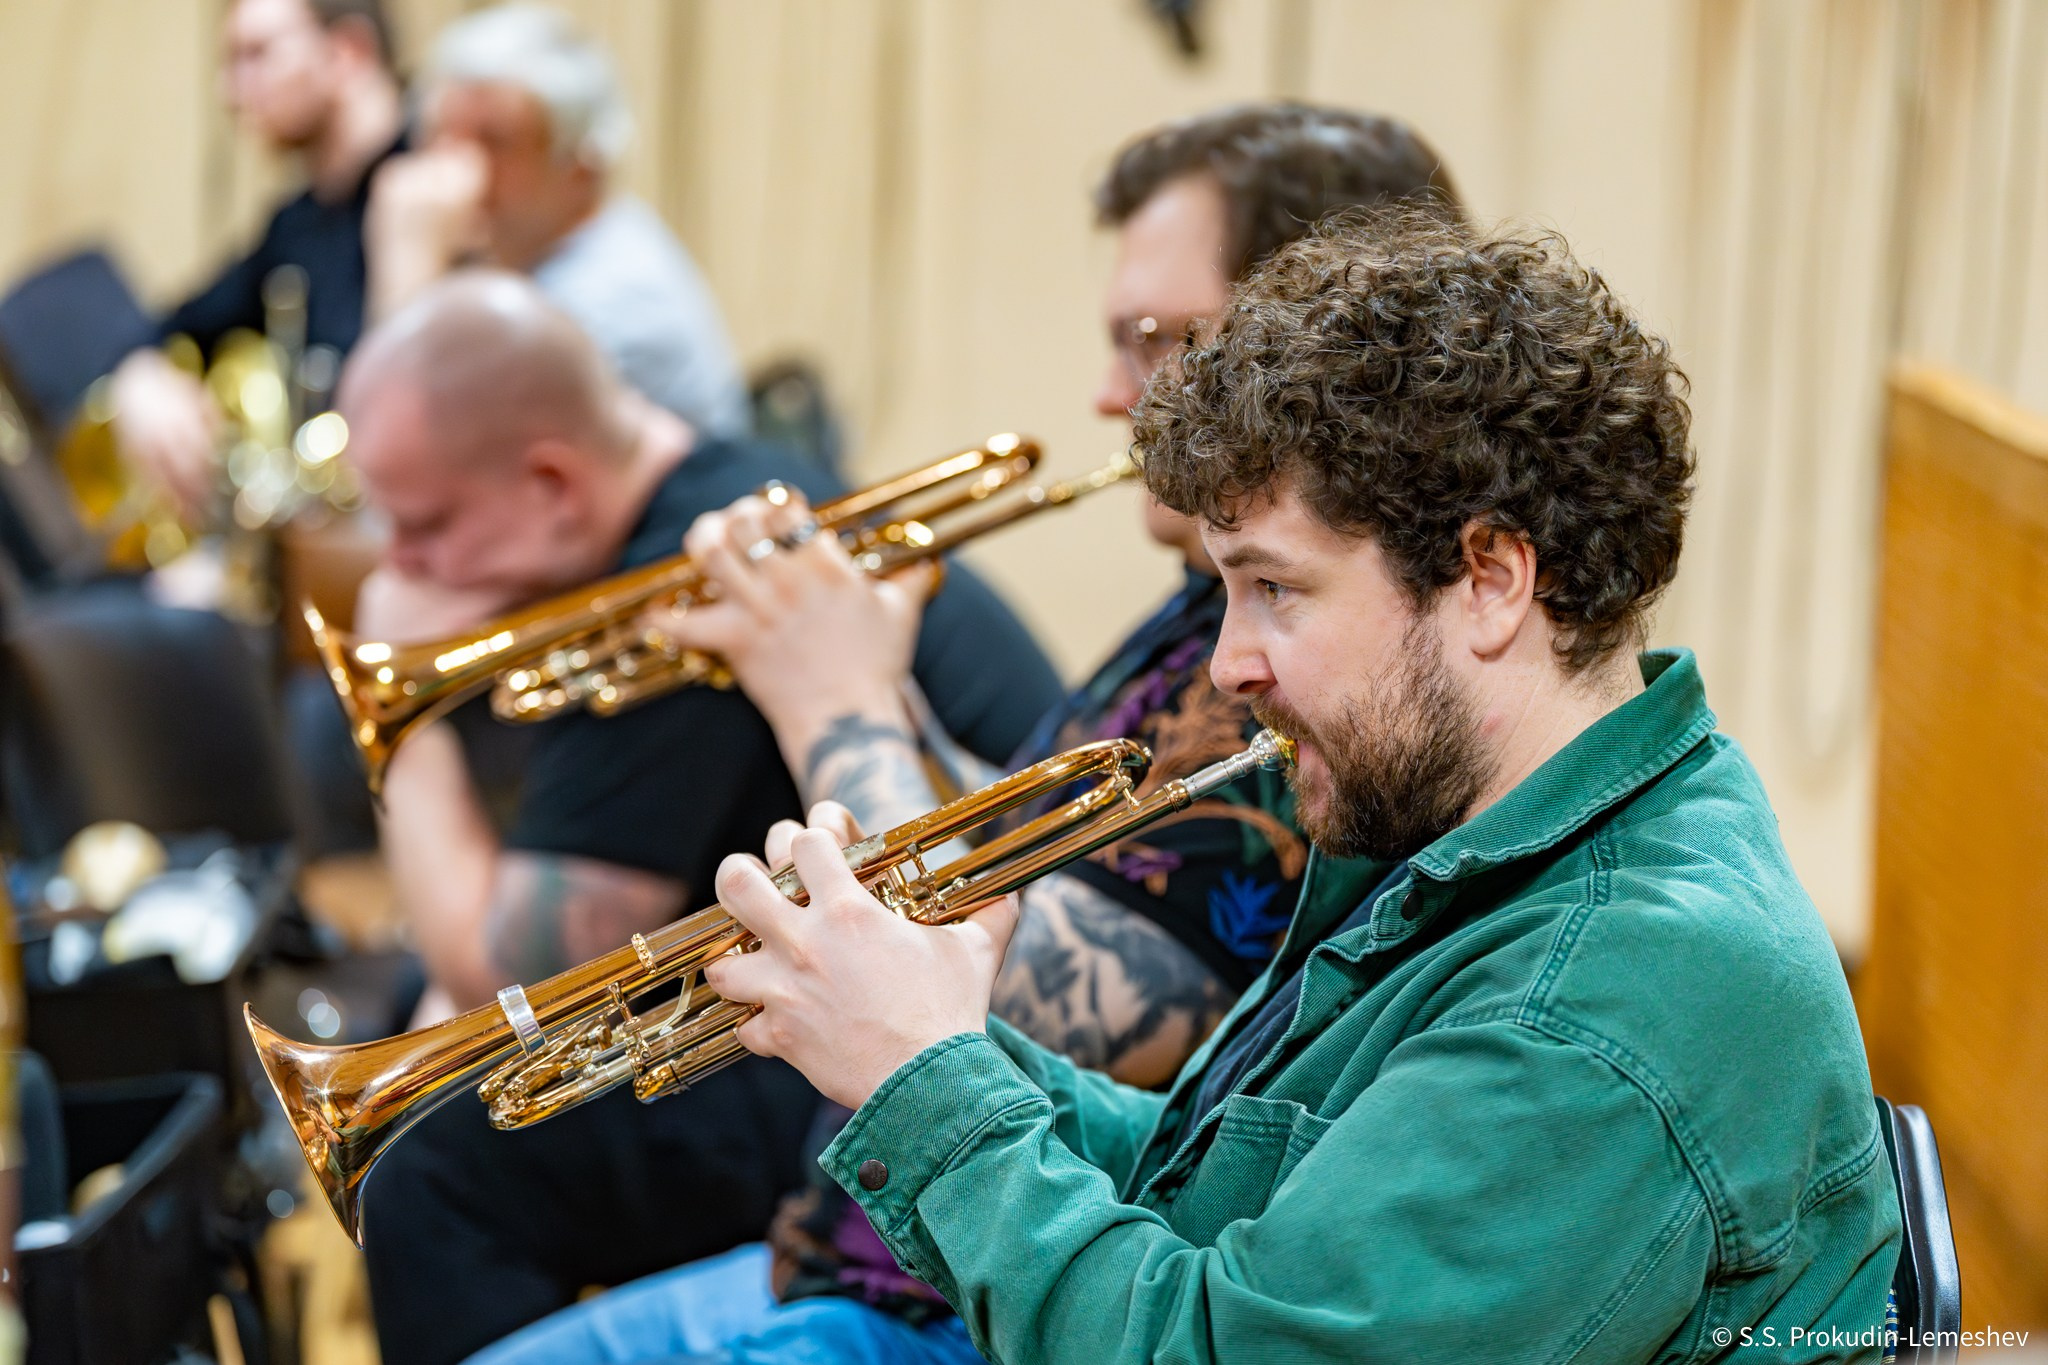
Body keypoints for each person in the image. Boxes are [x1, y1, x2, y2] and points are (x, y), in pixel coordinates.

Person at [572, 212, 1904, 1362]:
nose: (1231, 665)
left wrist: (932, 1085)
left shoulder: (1610, 1000)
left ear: (1492, 581)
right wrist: (941, 1039)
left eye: (1277, 589)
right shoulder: (1497, 838)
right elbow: (1227, 1192)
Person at [465, 105, 1463, 1365]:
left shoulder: (1321, 674)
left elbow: (1069, 1015)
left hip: (976, 1300)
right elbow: (1049, 850)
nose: (1109, 393)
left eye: (1153, 342)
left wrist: (833, 704)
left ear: (1302, 337)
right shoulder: (1194, 615)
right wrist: (881, 685)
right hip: (864, 1240)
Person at [335, 272, 1061, 1365]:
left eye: (424, 525)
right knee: (415, 1023)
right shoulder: (714, 502)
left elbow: (503, 966)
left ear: (550, 481)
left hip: (970, 1054)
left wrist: (408, 733)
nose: (399, 569)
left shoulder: (683, 581)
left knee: (430, 1155)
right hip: (885, 1001)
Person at [367, 3, 750, 440]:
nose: (456, 168)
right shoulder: (520, 262)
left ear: (581, 169)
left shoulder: (610, 300)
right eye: (440, 134)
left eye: (495, 141)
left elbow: (416, 458)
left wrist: (408, 262)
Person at [108, 0, 404, 516]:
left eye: (257, 54)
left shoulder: (446, 185)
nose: (230, 91)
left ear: (347, 52)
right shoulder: (297, 224)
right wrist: (141, 376)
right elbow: (180, 325)